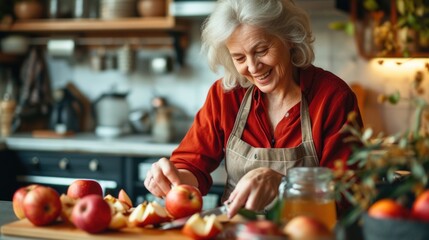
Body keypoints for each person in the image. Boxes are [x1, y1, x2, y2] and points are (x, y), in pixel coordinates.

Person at [144, 0, 363, 218]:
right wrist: (175, 178)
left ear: (289, 38)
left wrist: (284, 185)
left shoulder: (333, 97)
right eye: (239, 58)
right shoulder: (225, 96)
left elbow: (348, 193)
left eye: (261, 50)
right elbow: (192, 165)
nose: (252, 67)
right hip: (236, 229)